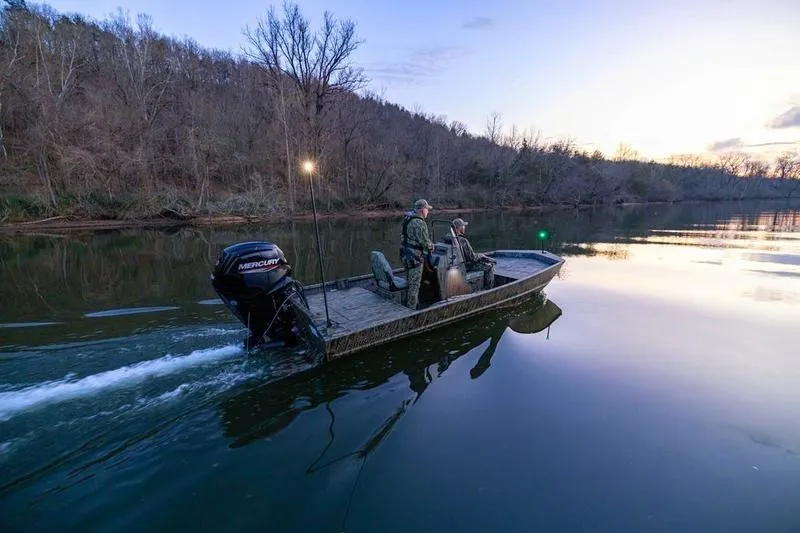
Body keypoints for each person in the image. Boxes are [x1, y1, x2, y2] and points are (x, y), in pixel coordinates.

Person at [400, 199, 434, 309]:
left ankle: (404, 304)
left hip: (405, 255)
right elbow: (425, 243)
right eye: (427, 209)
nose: (428, 211)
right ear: (422, 209)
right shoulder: (419, 222)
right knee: (414, 285)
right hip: (415, 258)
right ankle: (411, 309)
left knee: (407, 281)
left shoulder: (407, 218)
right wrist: (432, 247)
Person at [451, 217, 495, 289]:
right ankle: (488, 289)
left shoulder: (449, 239)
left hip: (456, 265)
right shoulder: (463, 241)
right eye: (463, 226)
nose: (464, 227)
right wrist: (481, 256)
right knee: (489, 266)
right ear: (459, 228)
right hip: (466, 266)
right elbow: (472, 258)